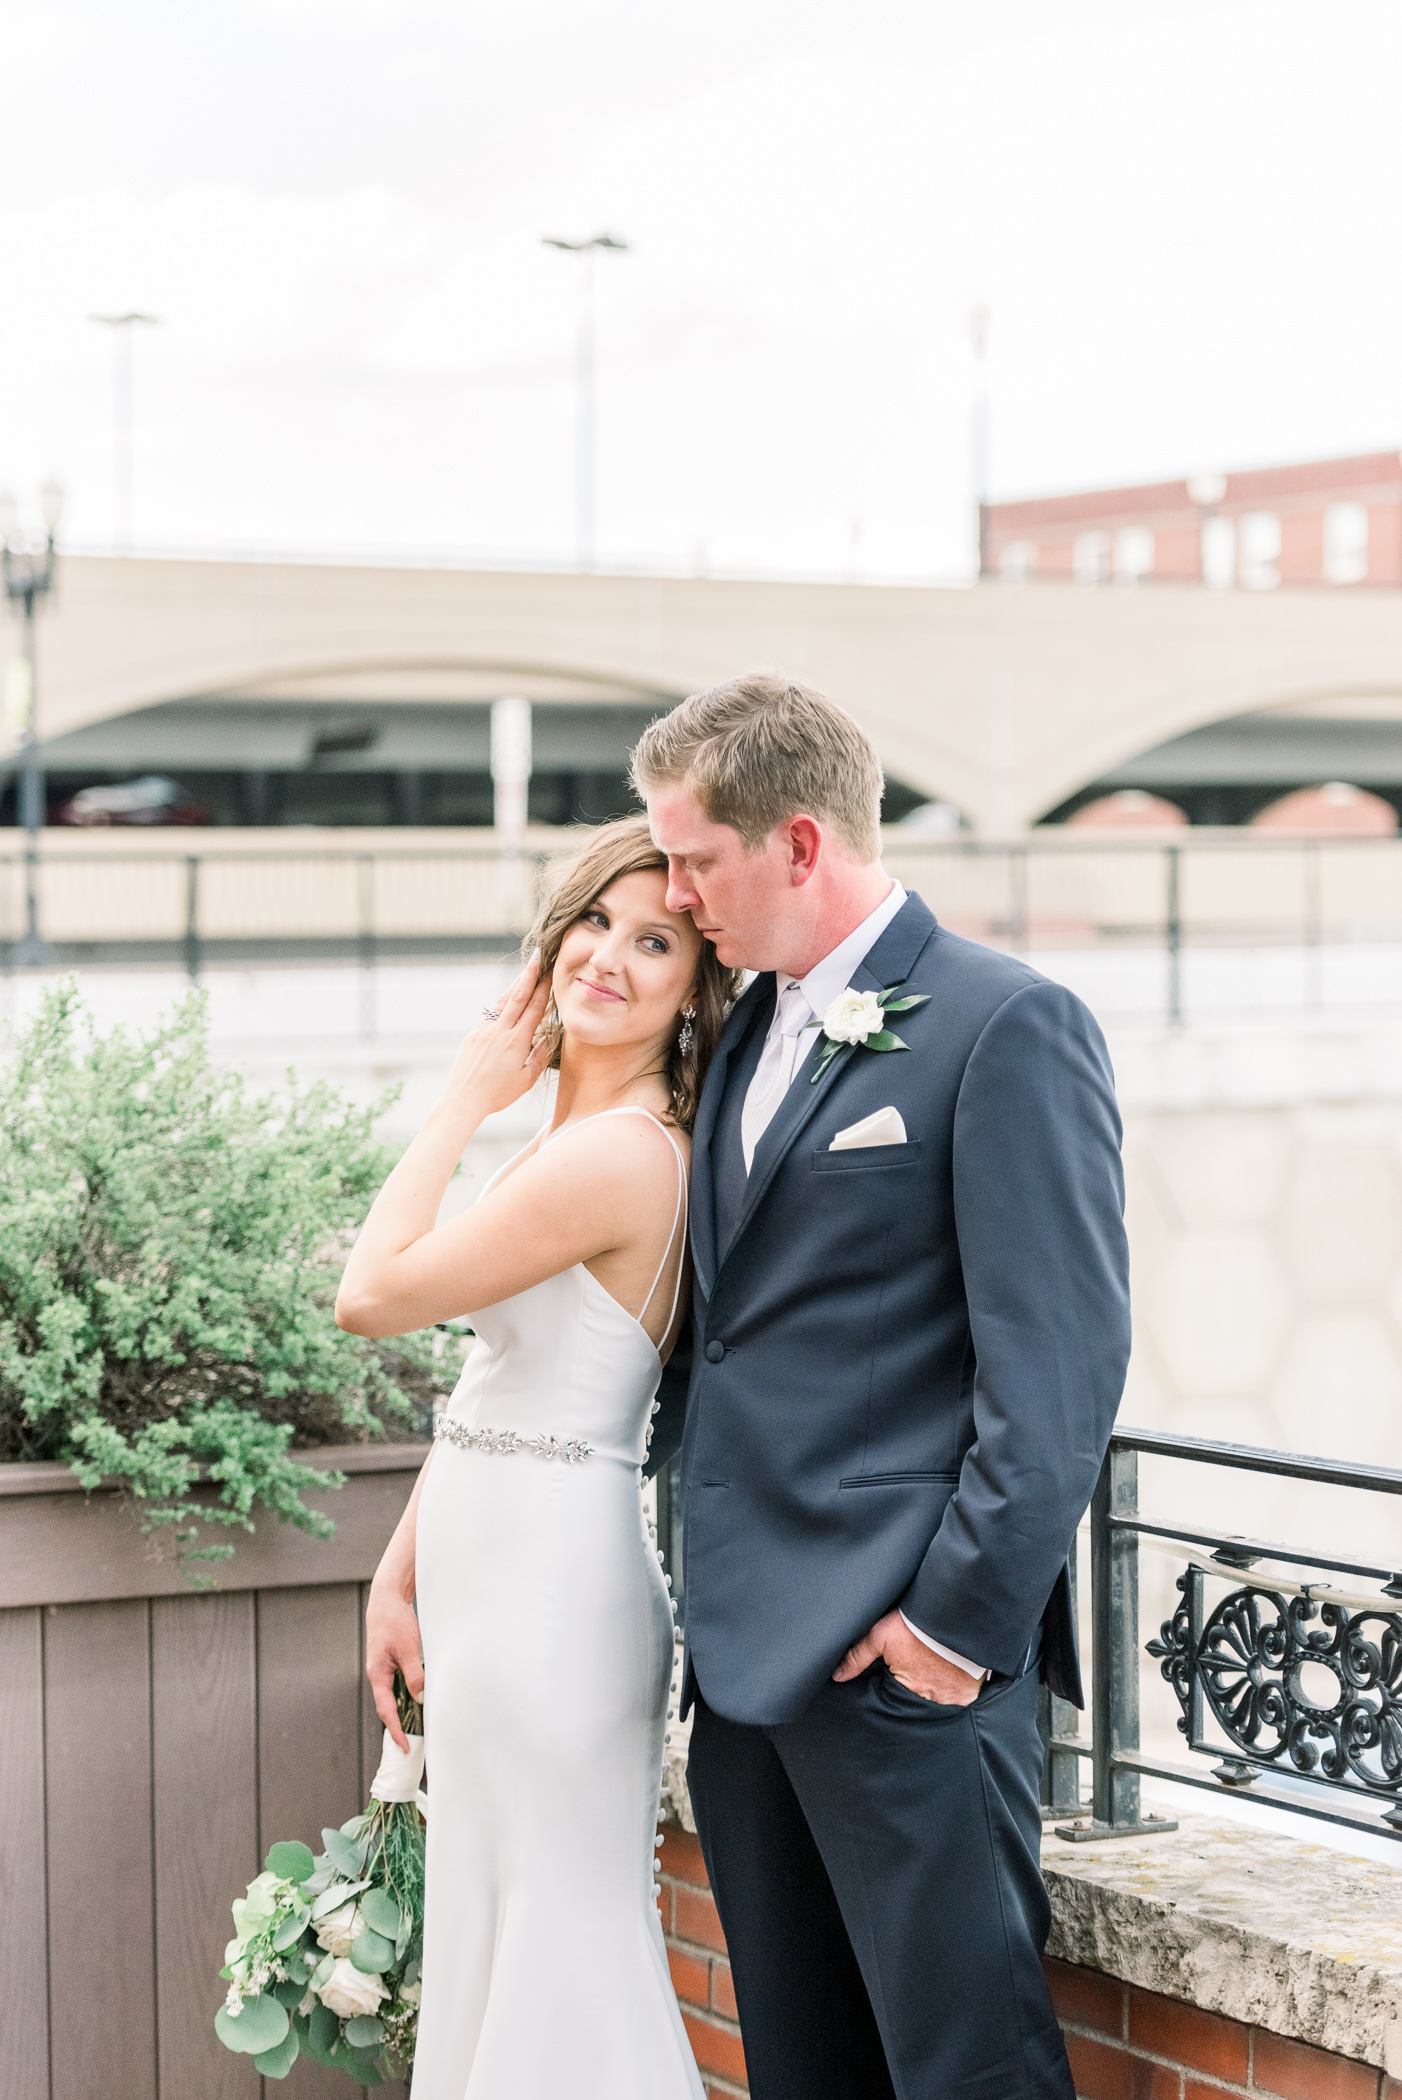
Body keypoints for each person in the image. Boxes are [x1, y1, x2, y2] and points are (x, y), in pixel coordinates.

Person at [633, 672, 1131, 2100]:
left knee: (964, 2070)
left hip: (900, 1671)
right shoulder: (743, 1030)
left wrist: (948, 1637)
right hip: (741, 1677)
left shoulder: (1005, 1026)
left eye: (694, 858)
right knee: (804, 2071)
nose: (674, 890)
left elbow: (1060, 1370)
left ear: (799, 843)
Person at [338, 814, 740, 2100]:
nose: (609, 957)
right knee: (492, 1930)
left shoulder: (622, 1154)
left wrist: (464, 1091)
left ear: (695, 991)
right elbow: (493, 1380)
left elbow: (372, 1295)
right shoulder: (572, 1139)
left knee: (560, 1949)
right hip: (490, 1580)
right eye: (595, 923)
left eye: (656, 941)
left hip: (553, 1599)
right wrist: (400, 1571)